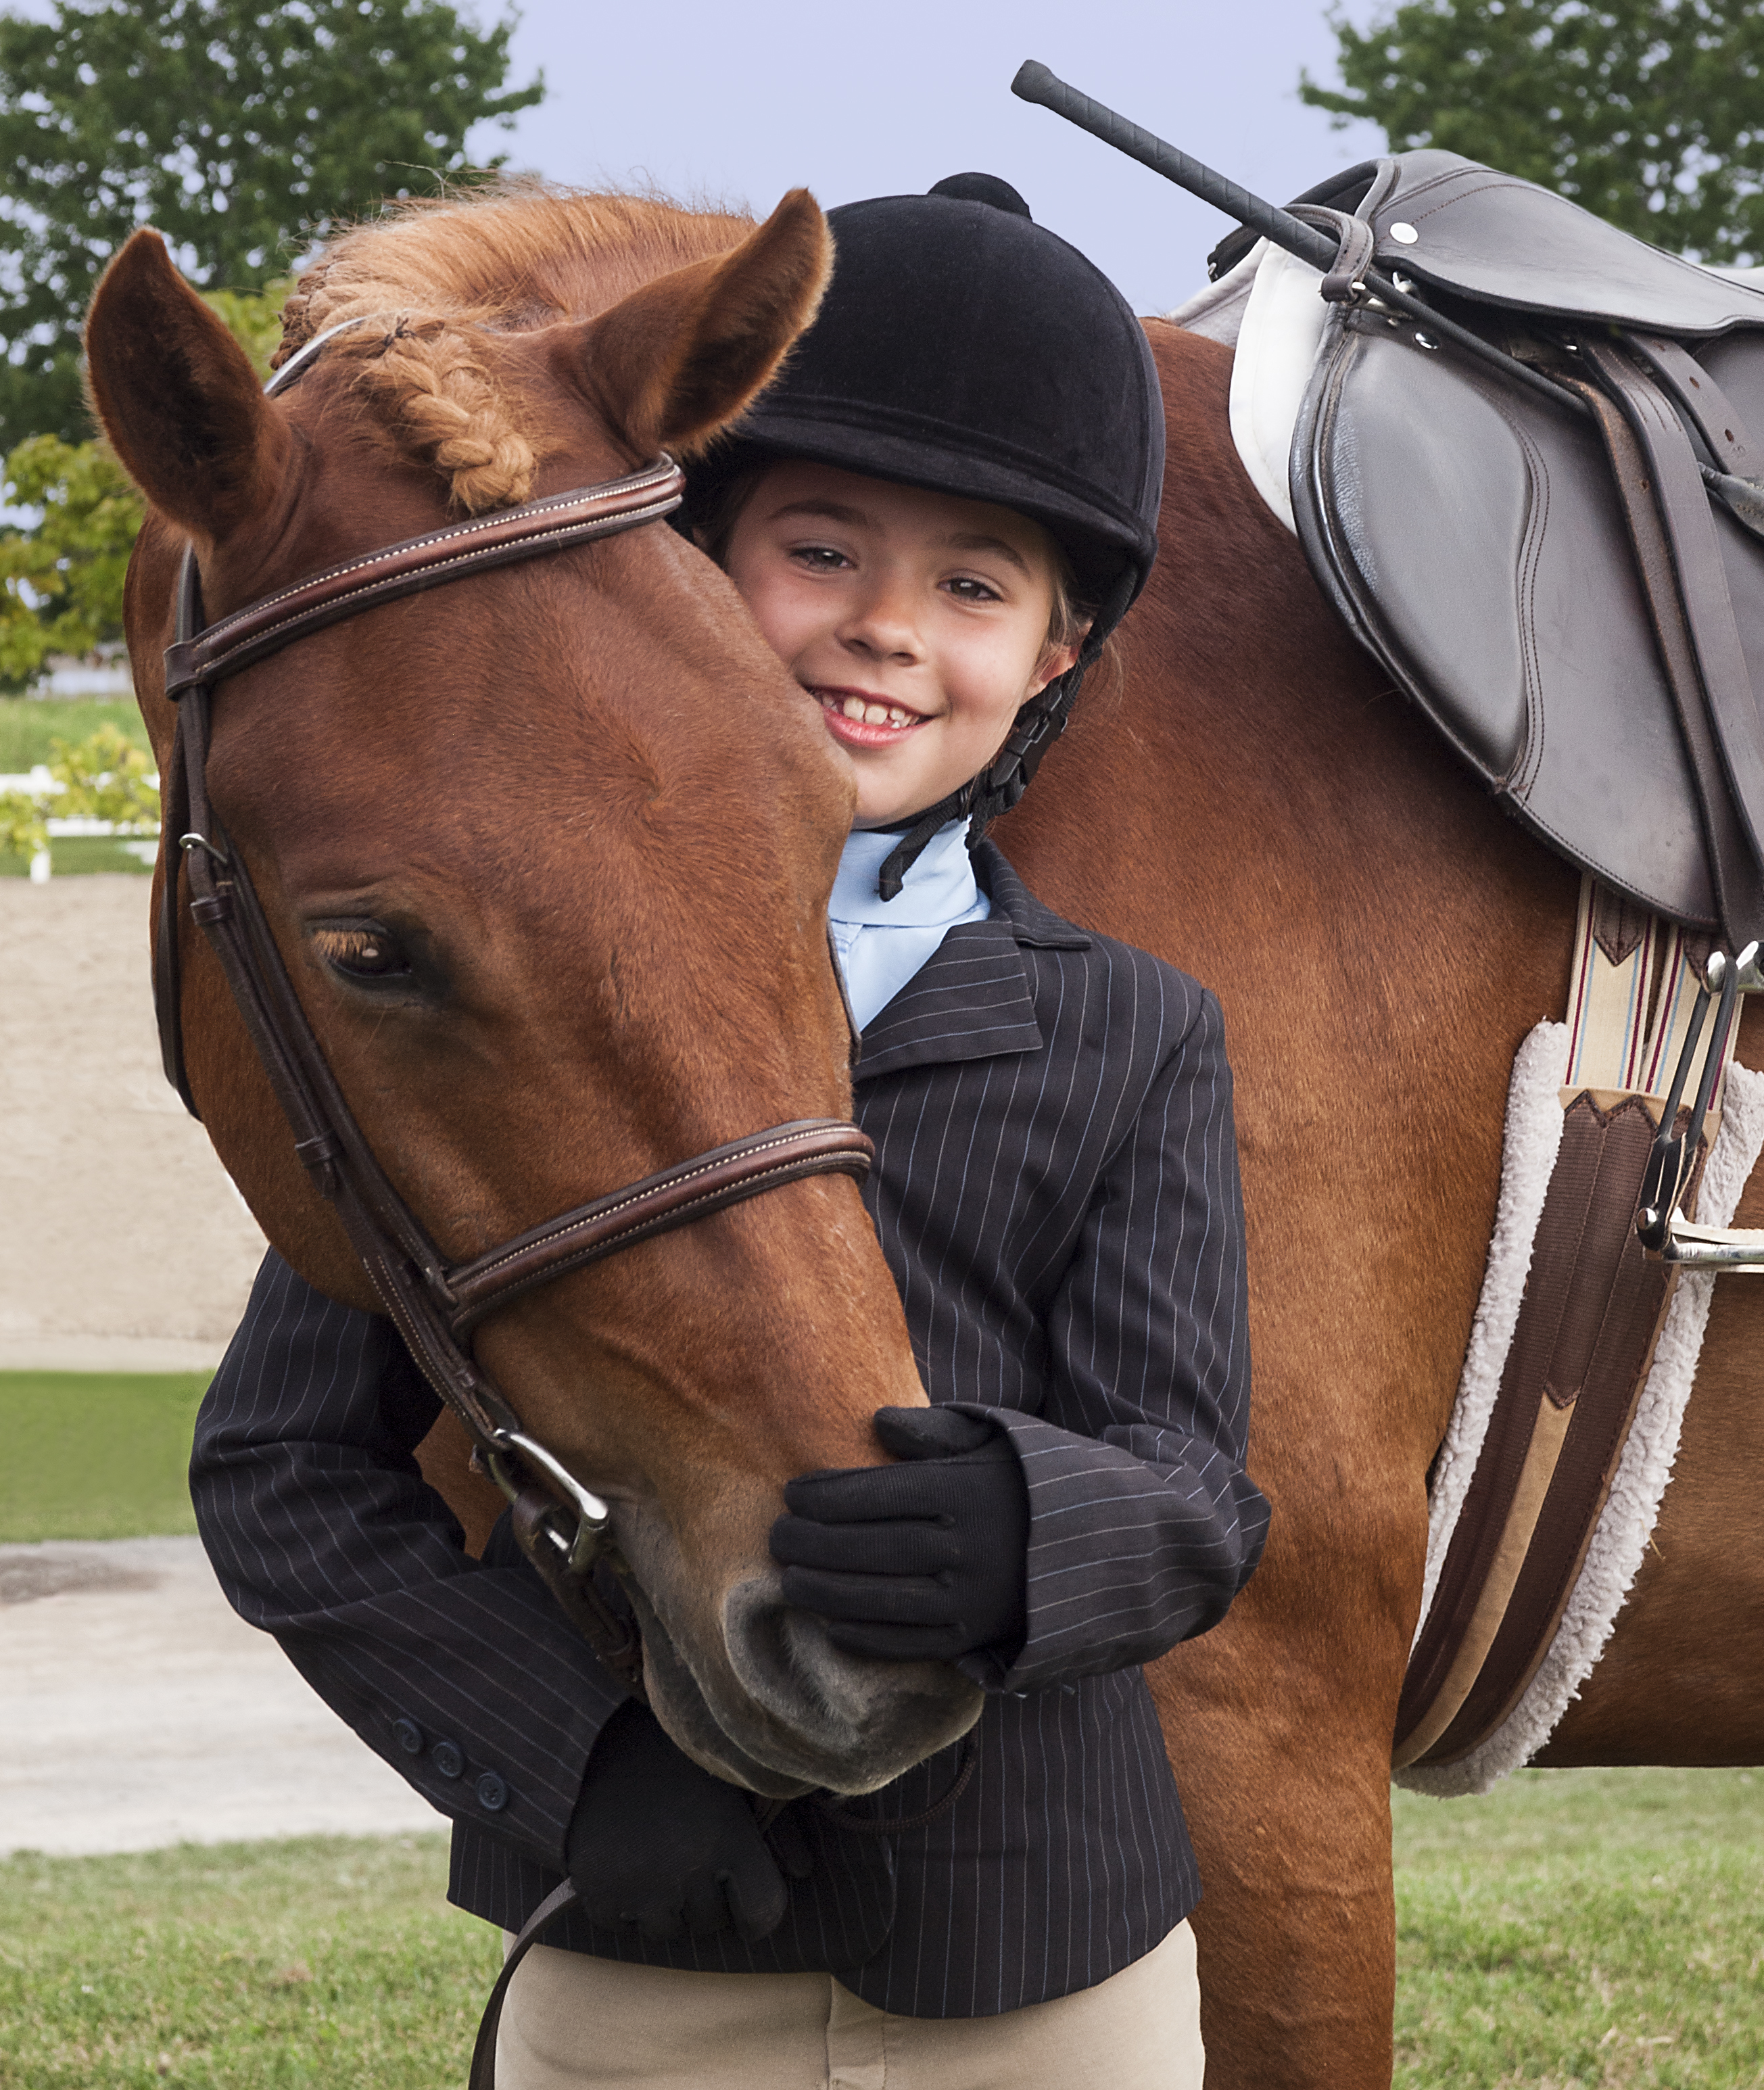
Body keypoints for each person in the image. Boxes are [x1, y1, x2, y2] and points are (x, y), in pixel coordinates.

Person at [193, 174, 1269, 2090]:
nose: (881, 632)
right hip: (634, 1957)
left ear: (1056, 656)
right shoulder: (503, 1001)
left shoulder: (1130, 1026)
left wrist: (1028, 1531)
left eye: (970, 587)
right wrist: (567, 1758)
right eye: (822, 551)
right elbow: (286, 1469)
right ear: (696, 568)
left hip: (1046, 1976)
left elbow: (1194, 1487)